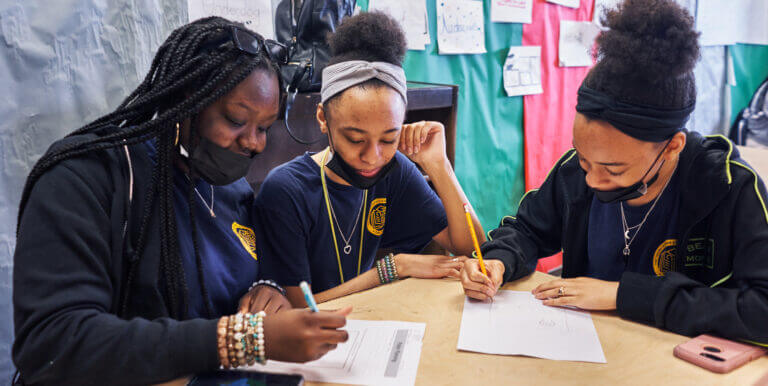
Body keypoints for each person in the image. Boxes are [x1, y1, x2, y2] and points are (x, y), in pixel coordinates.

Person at [13, 18, 349, 385]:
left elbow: (245, 269)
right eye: (237, 120)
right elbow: (53, 344)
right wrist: (243, 340)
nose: (255, 144)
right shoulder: (87, 178)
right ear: (187, 100)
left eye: (264, 128)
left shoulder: (228, 186)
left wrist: (263, 290)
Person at [461, 0, 768, 345]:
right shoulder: (575, 173)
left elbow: (761, 310)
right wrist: (498, 262)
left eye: (613, 169)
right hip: (587, 353)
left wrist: (623, 295)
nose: (592, 180)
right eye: (585, 158)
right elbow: (528, 231)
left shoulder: (728, 188)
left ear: (673, 147)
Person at [254, 12, 484, 306]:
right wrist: (392, 269)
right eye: (355, 139)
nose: (372, 157)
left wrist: (439, 166)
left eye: (389, 139)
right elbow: (302, 307)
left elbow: (473, 247)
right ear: (323, 118)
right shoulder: (286, 190)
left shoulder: (394, 170)